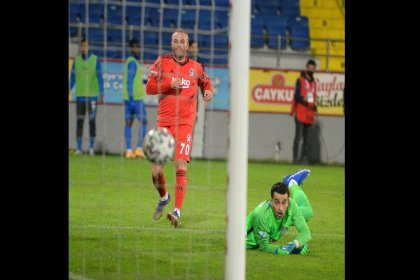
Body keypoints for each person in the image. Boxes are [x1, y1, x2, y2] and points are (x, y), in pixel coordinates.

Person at [145, 29, 213, 228]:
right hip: (163, 124)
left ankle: (176, 211)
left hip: (184, 123)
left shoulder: (196, 68)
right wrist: (168, 83)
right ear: (171, 44)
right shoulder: (161, 62)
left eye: (182, 41)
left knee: (181, 165)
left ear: (187, 45)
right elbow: (149, 87)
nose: (178, 45)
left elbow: (206, 82)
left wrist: (207, 91)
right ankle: (164, 196)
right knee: (156, 172)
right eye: (175, 41)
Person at [246, 169, 313, 255]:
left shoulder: (291, 205)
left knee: (308, 213)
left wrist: (294, 244)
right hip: (243, 241)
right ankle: (292, 182)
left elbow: (306, 234)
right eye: (277, 202)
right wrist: (291, 250)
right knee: (305, 213)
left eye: (284, 202)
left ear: (288, 201)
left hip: (279, 223)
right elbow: (264, 247)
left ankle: (292, 183)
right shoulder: (261, 216)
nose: (281, 208)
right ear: (271, 202)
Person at [69, 38, 104, 155]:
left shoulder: (95, 60)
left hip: (93, 97)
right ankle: (79, 148)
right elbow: (72, 78)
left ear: (89, 47)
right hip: (80, 97)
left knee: (92, 122)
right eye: (83, 46)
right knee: (79, 121)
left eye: (86, 46)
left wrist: (101, 94)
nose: (84, 48)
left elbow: (100, 78)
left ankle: (91, 148)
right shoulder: (77, 61)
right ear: (80, 47)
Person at [123, 38, 148, 158]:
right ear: (132, 48)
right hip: (135, 99)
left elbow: (136, 79)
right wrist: (132, 99)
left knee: (129, 123)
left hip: (129, 98)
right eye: (136, 47)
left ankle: (129, 150)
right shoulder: (133, 62)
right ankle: (138, 149)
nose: (138, 50)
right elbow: (129, 81)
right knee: (144, 121)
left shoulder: (132, 62)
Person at [290, 59, 318, 164]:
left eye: (313, 68)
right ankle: (295, 159)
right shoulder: (300, 80)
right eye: (309, 68)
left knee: (307, 139)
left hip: (309, 113)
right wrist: (303, 98)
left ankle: (305, 159)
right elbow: (296, 96)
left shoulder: (314, 82)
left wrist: (315, 110)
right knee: (298, 137)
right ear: (307, 68)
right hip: (300, 112)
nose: (311, 70)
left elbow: (314, 97)